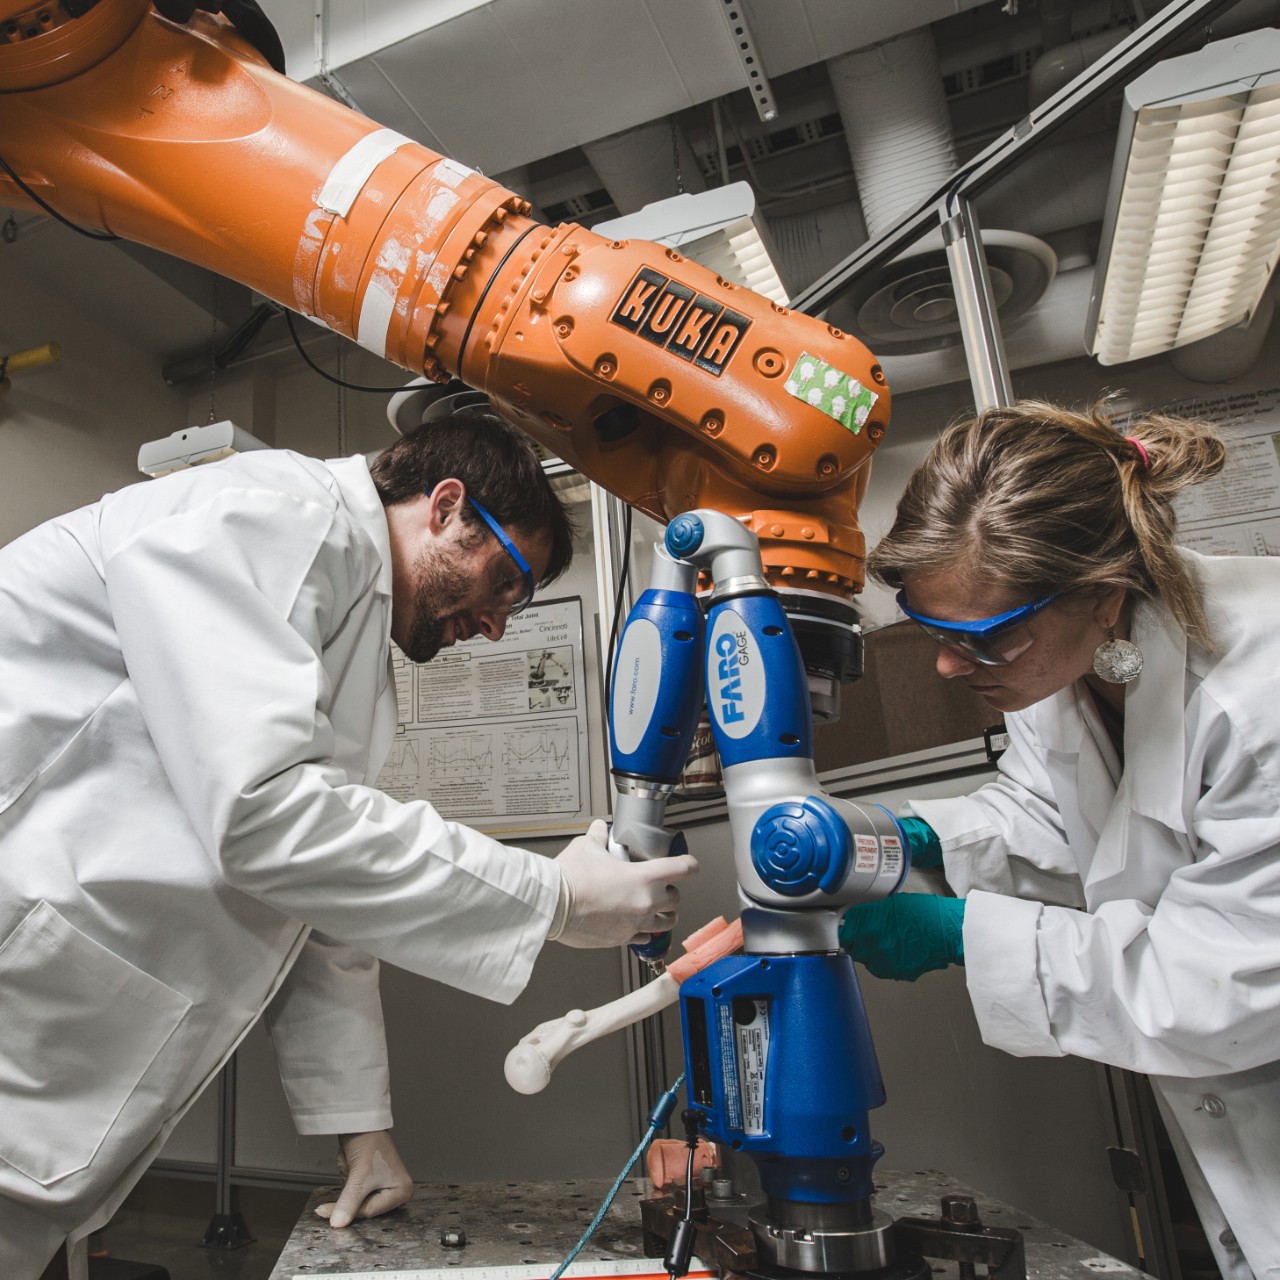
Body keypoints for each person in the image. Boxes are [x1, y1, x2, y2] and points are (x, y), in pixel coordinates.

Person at [0, 408, 698, 1278]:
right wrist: (553, 898)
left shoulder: (345, 622)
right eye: (505, 582)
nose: (495, 624)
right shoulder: (273, 515)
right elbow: (264, 817)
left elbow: (314, 901)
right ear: (447, 506)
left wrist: (356, 1122)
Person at [838, 399, 1280, 1280]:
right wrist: (920, 838)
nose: (948, 666)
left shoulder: (1260, 698)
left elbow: (1218, 982)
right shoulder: (1070, 660)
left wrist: (966, 935)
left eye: (985, 638)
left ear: (1104, 594)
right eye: (933, 630)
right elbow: (1055, 812)